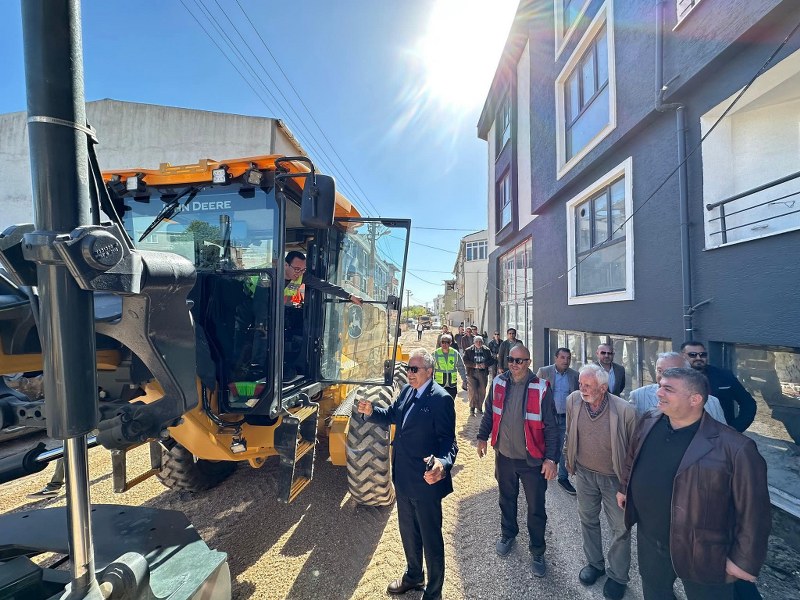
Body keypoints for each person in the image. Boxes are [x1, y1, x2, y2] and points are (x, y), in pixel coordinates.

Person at [617, 368, 770, 600]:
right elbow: (633, 457)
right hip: (651, 539)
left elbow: (754, 512)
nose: (658, 392)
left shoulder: (736, 448)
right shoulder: (649, 420)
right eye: (660, 385)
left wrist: (744, 561)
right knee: (655, 592)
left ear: (695, 399)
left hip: (703, 550)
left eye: (668, 388)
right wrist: (624, 487)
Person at [357, 348, 457, 600]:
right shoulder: (406, 391)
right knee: (408, 532)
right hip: (402, 477)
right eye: (408, 369)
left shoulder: (441, 399)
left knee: (430, 538)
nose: (409, 373)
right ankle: (414, 576)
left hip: (425, 481)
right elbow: (392, 416)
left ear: (429, 371)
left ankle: (433, 592)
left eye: (414, 369)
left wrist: (442, 465)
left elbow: (448, 443)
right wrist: (371, 411)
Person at [476, 344, 559, 578]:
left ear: (529, 362)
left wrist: (551, 458)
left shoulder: (541, 387)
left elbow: (552, 427)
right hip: (504, 457)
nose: (515, 364)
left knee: (535, 508)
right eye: (511, 360)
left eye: (520, 361)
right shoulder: (499, 383)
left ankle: (538, 550)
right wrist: (483, 437)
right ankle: (508, 533)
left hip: (531, 461)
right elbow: (490, 413)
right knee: (506, 499)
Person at [564, 364, 636, 600]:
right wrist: (569, 458)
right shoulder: (574, 400)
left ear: (603, 388)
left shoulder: (625, 411)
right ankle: (595, 564)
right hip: (584, 474)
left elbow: (634, 451)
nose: (581, 389)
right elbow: (569, 431)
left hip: (613, 479)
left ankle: (617, 576)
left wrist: (626, 485)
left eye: (588, 386)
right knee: (588, 520)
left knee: (620, 528)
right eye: (580, 384)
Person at [283, 251, 362, 379]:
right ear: (285, 265)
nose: (299, 273)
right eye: (297, 269)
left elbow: (324, 285)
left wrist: (349, 296)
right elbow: (261, 304)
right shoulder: (270, 276)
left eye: (303, 270)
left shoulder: (300, 276)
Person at [680, 341, 757, 432]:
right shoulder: (675, 378)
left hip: (719, 434)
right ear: (682, 356)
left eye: (703, 354)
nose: (698, 358)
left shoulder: (724, 376)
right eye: (692, 355)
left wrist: (735, 428)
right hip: (685, 433)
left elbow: (748, 403)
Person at [629, 352, 726, 422]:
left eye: (671, 371)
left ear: (687, 373)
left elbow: (722, 436)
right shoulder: (638, 396)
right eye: (659, 370)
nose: (663, 375)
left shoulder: (712, 402)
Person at [536, 347, 580, 495]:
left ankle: (562, 477)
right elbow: (536, 393)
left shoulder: (574, 375)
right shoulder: (544, 372)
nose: (565, 361)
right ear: (556, 358)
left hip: (565, 418)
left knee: (562, 447)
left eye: (568, 358)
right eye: (562, 357)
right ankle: (542, 469)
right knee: (544, 443)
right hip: (548, 417)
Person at [463, 335, 495, 416]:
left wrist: (485, 364)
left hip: (483, 373)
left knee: (482, 391)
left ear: (482, 342)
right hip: (472, 372)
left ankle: (479, 408)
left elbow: (492, 360)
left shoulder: (486, 350)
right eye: (477, 341)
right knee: (472, 391)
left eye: (480, 341)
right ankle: (472, 408)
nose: (478, 343)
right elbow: (465, 361)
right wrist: (474, 365)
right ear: (474, 342)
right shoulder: (468, 350)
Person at [432, 335, 467, 400]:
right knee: (440, 405)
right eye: (443, 342)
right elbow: (430, 369)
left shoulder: (455, 353)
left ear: (450, 343)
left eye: (447, 342)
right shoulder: (435, 354)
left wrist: (464, 380)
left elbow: (461, 367)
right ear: (440, 343)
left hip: (452, 385)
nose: (444, 344)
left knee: (450, 404)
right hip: (439, 384)